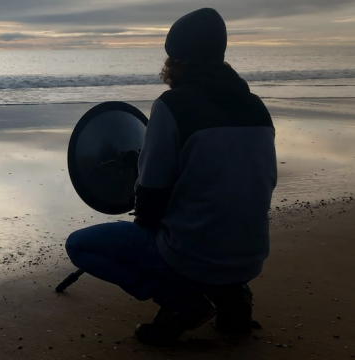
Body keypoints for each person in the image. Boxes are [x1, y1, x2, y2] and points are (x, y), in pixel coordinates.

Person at [65, 8, 277, 346]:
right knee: (209, 226)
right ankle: (233, 298)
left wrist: (145, 199)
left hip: (195, 256)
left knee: (79, 245)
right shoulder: (256, 108)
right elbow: (242, 179)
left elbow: (149, 200)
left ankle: (183, 303)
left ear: (177, 60)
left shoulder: (172, 106)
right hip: (251, 255)